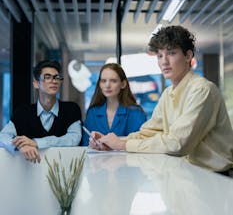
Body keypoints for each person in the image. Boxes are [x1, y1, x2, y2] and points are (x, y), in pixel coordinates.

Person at [90, 26, 233, 173]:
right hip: (188, 174)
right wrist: (110, 142)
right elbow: (148, 133)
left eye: (171, 53)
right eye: (159, 55)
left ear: (188, 56)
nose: (164, 62)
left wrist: (121, 145)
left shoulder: (202, 90)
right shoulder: (167, 94)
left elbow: (177, 144)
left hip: (216, 178)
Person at [0, 60, 82, 163]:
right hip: (29, 173)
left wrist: (36, 142)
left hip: (63, 171)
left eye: (57, 77)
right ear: (36, 83)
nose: (54, 81)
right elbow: (3, 136)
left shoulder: (71, 109)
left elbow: (73, 138)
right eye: (47, 77)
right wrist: (20, 146)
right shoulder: (23, 112)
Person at [82, 63, 146, 146]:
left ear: (123, 84)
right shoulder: (93, 112)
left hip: (127, 159)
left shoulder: (136, 113)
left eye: (113, 81)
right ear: (99, 84)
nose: (107, 85)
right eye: (103, 81)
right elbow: (85, 145)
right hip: (97, 158)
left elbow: (140, 144)